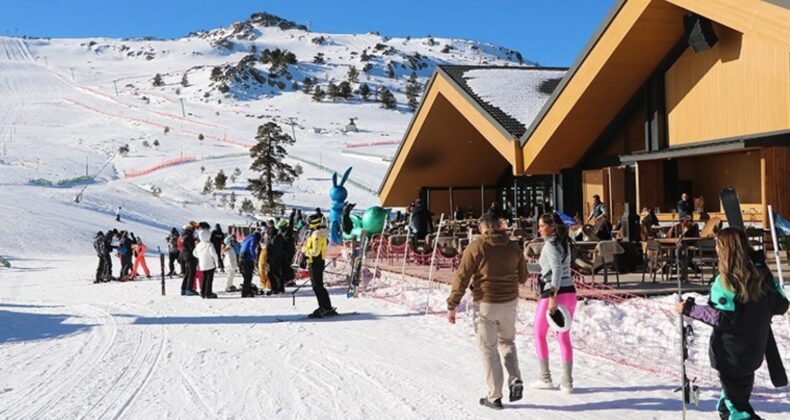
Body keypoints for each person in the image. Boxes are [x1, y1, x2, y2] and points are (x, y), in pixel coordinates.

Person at [676, 228, 788, 420]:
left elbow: (722, 318)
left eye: (718, 246)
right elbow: (781, 305)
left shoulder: (726, 282)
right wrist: (770, 277)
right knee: (730, 402)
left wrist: (689, 309)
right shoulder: (760, 276)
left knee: (737, 410)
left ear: (724, 250)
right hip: (752, 352)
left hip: (731, 355)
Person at [446, 212, 527, 410]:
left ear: (482, 228)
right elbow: (523, 277)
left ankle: (494, 396)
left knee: (489, 349)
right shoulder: (513, 246)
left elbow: (462, 276)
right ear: (499, 225)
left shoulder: (477, 246)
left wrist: (452, 304)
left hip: (486, 303)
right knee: (507, 342)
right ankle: (515, 378)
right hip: (509, 302)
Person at [533, 213, 578, 393]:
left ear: (552, 227)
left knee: (538, 333)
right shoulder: (564, 243)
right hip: (570, 293)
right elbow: (551, 267)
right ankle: (567, 381)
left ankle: (545, 377)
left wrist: (552, 295)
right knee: (563, 337)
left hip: (553, 294)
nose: (539, 229)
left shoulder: (550, 245)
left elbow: (556, 269)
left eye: (542, 225)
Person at [302, 227, 336, 318]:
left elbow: (315, 251)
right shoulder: (319, 233)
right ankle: (326, 306)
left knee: (317, 286)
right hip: (317, 261)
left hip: (315, 261)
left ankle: (324, 307)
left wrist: (305, 252)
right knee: (318, 285)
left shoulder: (316, 234)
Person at [193, 227, 219, 298]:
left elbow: (194, 253)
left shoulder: (198, 245)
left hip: (202, 264)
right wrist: (216, 261)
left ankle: (203, 292)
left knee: (204, 278)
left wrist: (200, 257)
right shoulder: (209, 244)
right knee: (209, 279)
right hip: (210, 264)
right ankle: (208, 293)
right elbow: (213, 254)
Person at [239, 231, 261, 297]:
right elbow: (251, 248)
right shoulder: (254, 239)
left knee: (246, 276)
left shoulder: (247, 238)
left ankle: (247, 290)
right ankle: (245, 292)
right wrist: (254, 257)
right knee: (248, 276)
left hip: (241, 258)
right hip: (247, 259)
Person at [180, 221, 198, 296]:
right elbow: (192, 248)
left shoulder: (184, 235)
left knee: (187, 272)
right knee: (191, 272)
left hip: (185, 255)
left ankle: (184, 288)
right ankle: (189, 289)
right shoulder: (189, 236)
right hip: (190, 256)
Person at [267, 224, 286, 294]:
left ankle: (275, 288)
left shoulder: (274, 240)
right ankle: (280, 288)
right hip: (278, 258)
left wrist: (269, 260)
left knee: (272, 274)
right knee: (277, 273)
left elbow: (272, 250)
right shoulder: (280, 238)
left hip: (274, 259)